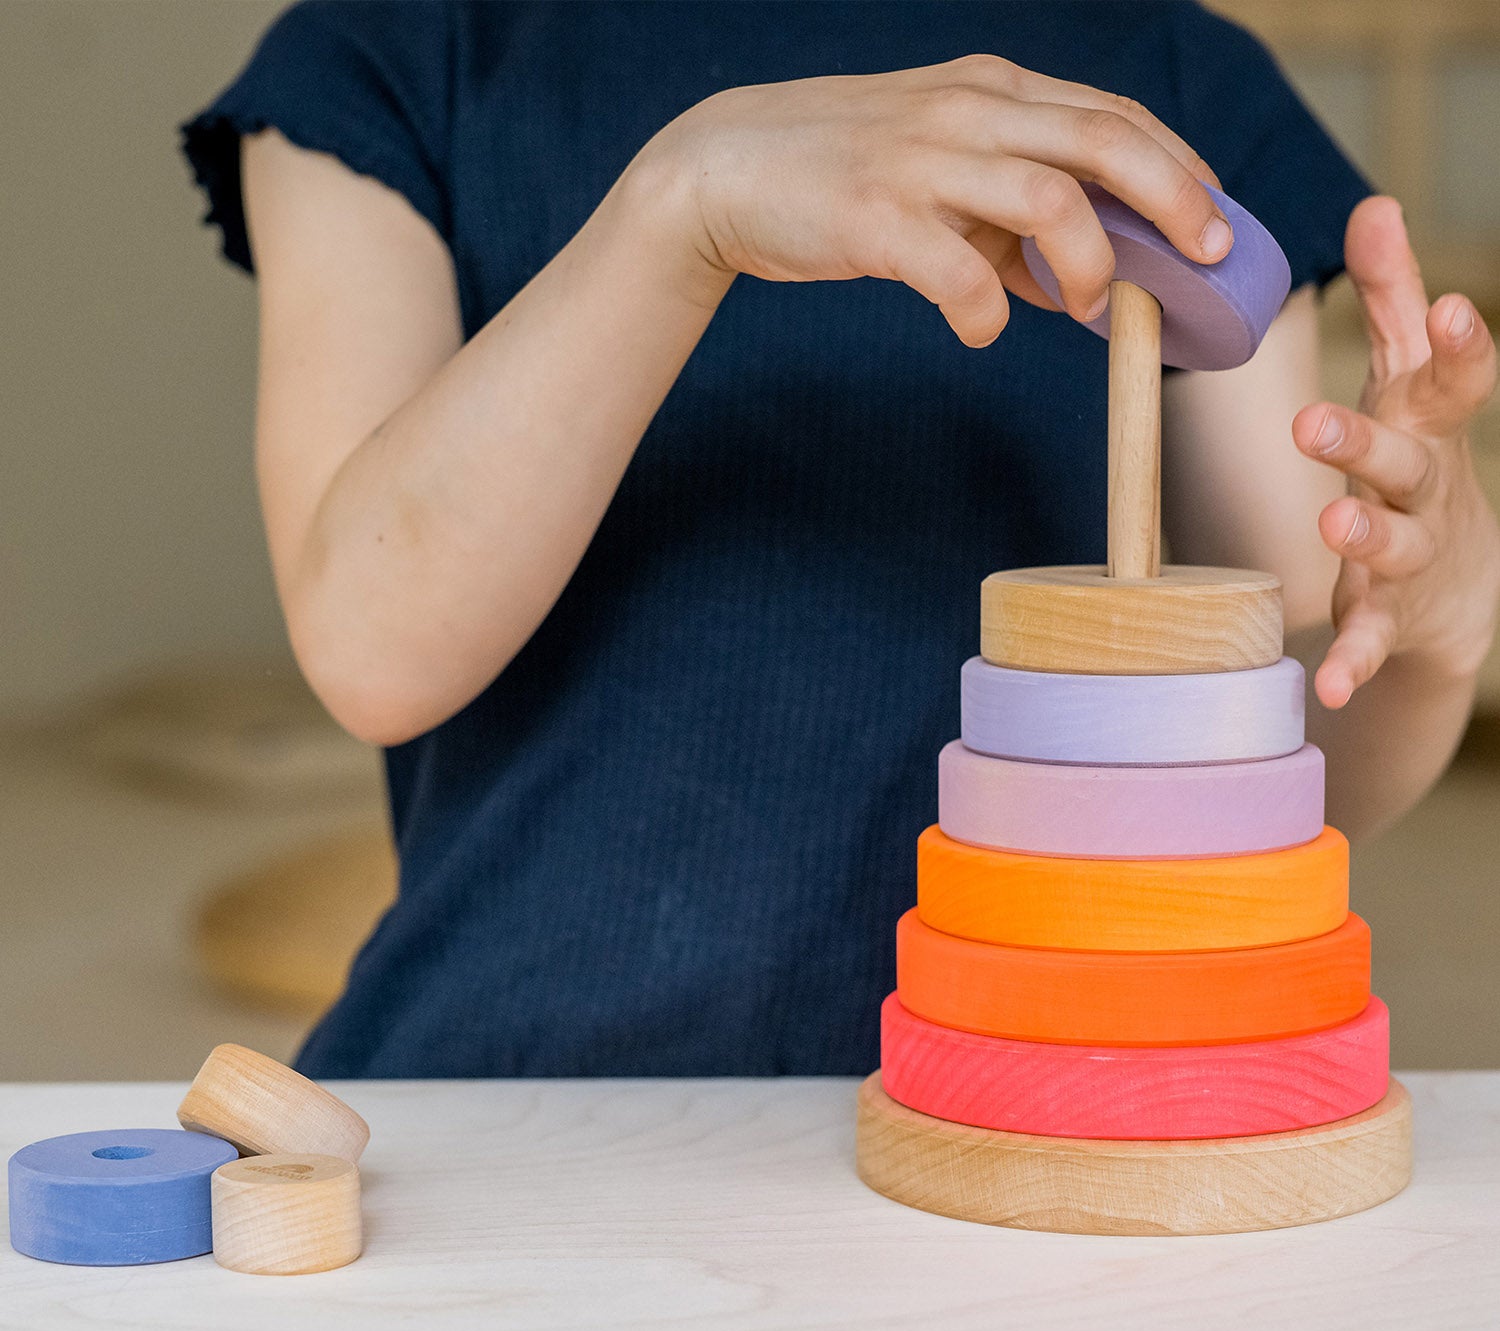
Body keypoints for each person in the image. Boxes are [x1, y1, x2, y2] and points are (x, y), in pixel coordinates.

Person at [182, 1, 1498, 1080]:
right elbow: (371, 644)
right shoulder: (399, 50)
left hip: (1041, 1119)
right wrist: (679, 211)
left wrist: (1435, 632)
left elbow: (1274, 775)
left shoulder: (1168, 82)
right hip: (520, 1119)